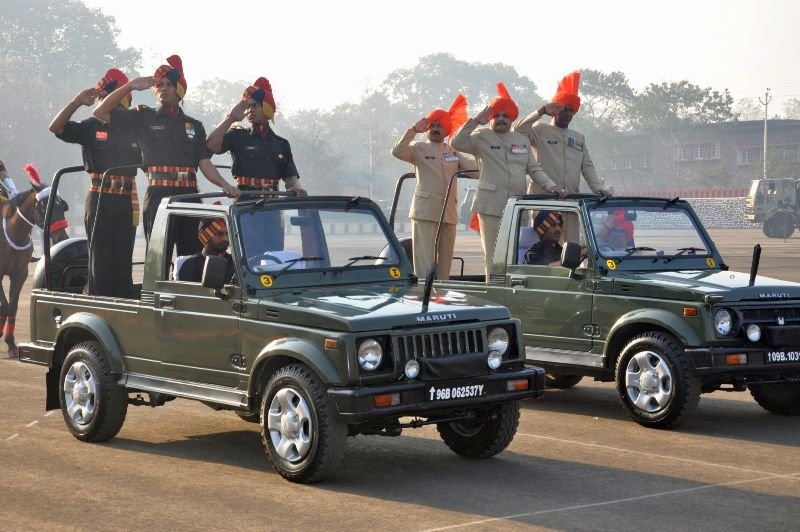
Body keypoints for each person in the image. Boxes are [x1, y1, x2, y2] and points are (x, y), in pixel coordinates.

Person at [93, 55, 239, 256]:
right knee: (158, 256)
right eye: (159, 84)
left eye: (169, 84)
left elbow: (204, 162)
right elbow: (100, 113)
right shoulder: (143, 116)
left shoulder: (194, 126)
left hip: (189, 196)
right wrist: (130, 87)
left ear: (179, 89)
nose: (163, 88)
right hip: (159, 196)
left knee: (190, 257)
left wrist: (224, 185)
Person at [451, 82, 560, 276]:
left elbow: (534, 168)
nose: (501, 119)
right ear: (491, 119)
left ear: (511, 119)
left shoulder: (520, 140)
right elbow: (456, 142)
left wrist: (550, 185)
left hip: (517, 206)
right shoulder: (481, 136)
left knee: (513, 255)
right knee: (493, 255)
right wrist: (476, 120)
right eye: (497, 115)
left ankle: (510, 293)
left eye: (505, 116)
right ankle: (494, 292)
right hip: (491, 206)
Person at [49, 68, 141, 297]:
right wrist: (77, 101)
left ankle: (124, 307)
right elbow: (56, 128)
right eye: (107, 95)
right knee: (100, 262)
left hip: (126, 200)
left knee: (123, 261)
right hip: (100, 197)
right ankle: (99, 309)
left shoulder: (132, 125)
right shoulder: (90, 126)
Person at [207, 77, 303, 254]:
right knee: (248, 258)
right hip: (245, 206)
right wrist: (230, 118)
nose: (250, 110)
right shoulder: (238, 136)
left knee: (274, 257)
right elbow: (211, 145)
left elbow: (290, 177)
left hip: (272, 210)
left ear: (268, 108)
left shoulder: (281, 144)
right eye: (248, 106)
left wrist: (297, 189)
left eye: (255, 105)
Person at [514, 71, 611, 241]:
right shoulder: (539, 130)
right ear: (555, 110)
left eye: (571, 110)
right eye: (564, 109)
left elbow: (587, 166)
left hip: (571, 201)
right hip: (546, 200)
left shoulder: (578, 138)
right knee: (547, 248)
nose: (567, 113)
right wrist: (541, 111)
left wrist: (598, 189)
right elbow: (519, 130)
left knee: (571, 248)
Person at [391, 94, 477, 279]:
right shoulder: (418, 148)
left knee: (445, 264)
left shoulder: (452, 152)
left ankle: (443, 295)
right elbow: (398, 151)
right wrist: (414, 129)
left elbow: (476, 171)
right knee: (424, 263)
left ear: (446, 131)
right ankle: (423, 297)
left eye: (440, 126)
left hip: (448, 214)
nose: (436, 129)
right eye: (433, 125)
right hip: (426, 212)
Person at [176, 213, 235, 283]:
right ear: (206, 237)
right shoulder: (191, 265)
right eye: (219, 234)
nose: (225, 238)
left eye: (227, 234)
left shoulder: (235, 263)